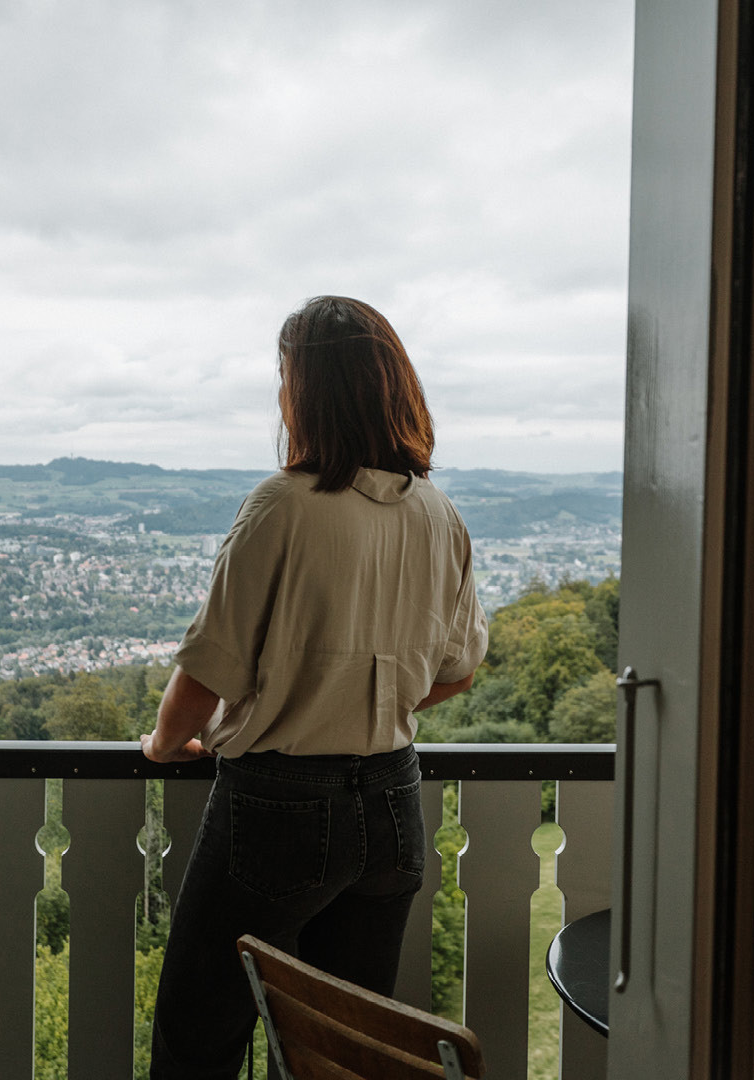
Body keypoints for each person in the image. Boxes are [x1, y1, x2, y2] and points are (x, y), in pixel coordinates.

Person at [142, 295, 489, 1078]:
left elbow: (209, 671)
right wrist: (378, 699)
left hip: (279, 805)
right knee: (338, 1053)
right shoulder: (440, 515)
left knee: (200, 1029)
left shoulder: (282, 507)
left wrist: (165, 744)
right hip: (394, 804)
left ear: (305, 392)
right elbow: (459, 669)